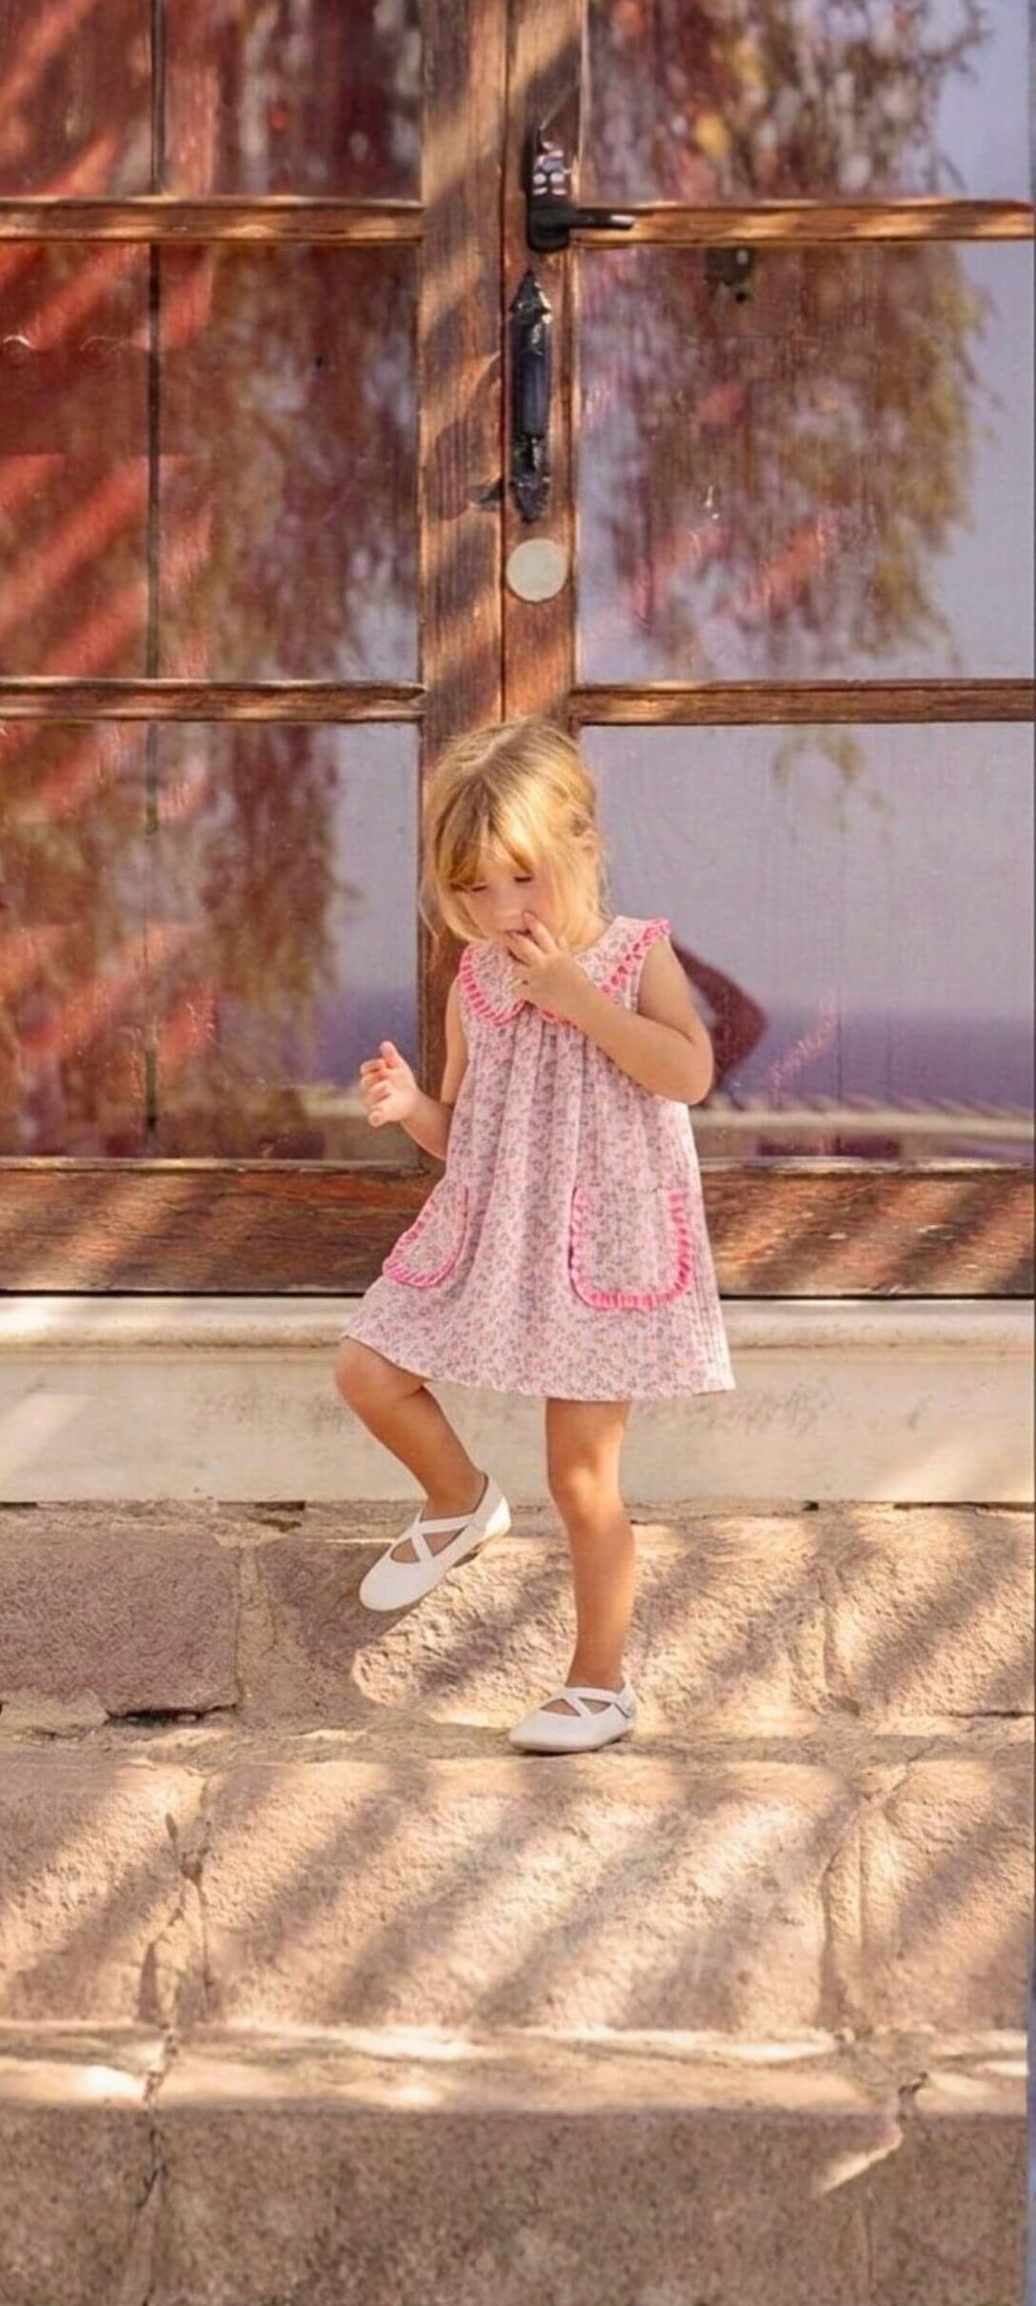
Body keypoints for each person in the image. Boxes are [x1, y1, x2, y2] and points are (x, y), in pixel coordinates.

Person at [334, 713, 735, 1755]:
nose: (501, 908)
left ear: (581, 849)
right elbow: (465, 1134)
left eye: (521, 877)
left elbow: (686, 1075)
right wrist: (410, 1107)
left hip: (601, 1249)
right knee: (366, 1370)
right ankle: (457, 1498)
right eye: (473, 888)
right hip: (495, 1230)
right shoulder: (472, 981)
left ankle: (597, 1683)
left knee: (580, 1479)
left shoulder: (634, 954)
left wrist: (574, 998)